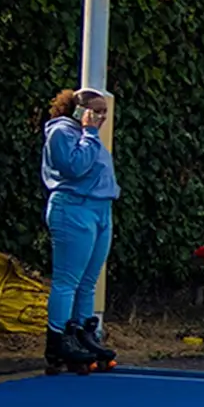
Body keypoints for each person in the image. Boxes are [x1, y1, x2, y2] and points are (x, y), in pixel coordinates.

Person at [40, 87, 121, 375]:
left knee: (88, 281)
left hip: (100, 209)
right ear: (78, 110)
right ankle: (58, 339)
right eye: (95, 110)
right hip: (73, 208)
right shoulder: (62, 132)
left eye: (104, 111)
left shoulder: (93, 138)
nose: (101, 116)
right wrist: (89, 132)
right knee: (67, 280)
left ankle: (83, 333)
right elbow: (75, 167)